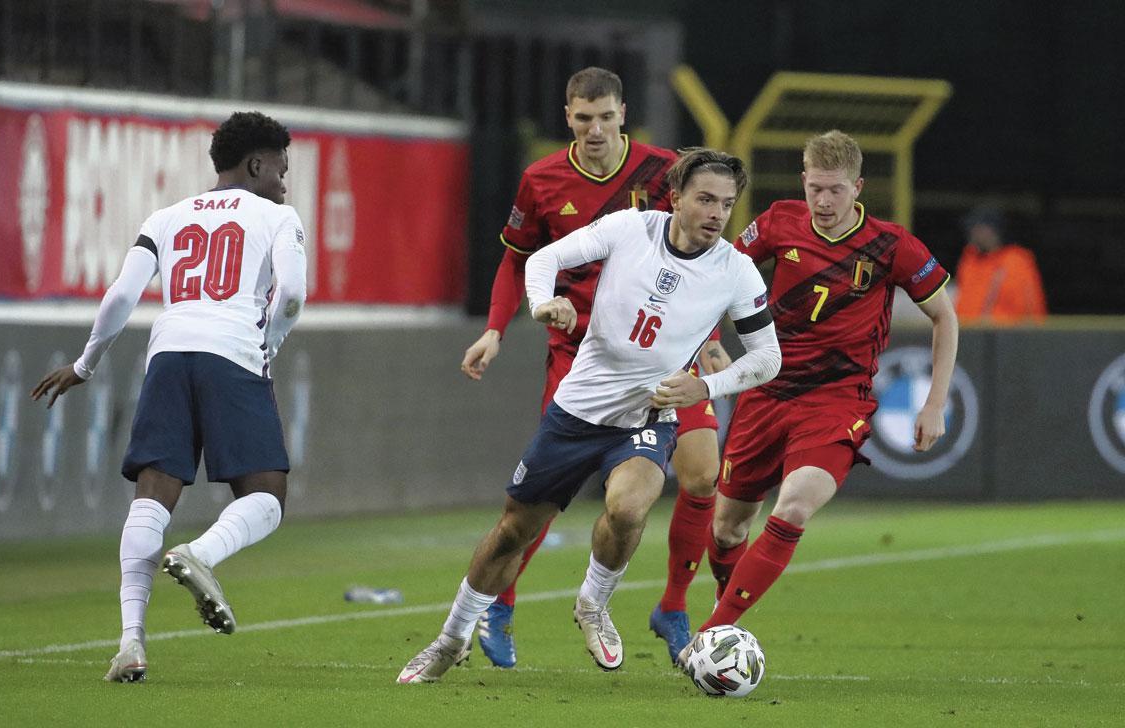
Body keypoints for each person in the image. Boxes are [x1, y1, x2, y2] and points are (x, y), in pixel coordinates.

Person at [398, 148, 781, 684]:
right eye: (705, 199)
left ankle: (593, 603)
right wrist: (540, 305)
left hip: (648, 415)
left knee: (628, 509)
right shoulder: (630, 228)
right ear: (675, 197)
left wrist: (705, 386)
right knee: (514, 531)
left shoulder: (737, 271)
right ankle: (450, 639)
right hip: (577, 411)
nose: (717, 213)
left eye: (727, 203)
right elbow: (541, 260)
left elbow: (769, 357)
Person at [459, 66, 731, 667]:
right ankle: (500, 603)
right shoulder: (541, 179)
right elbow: (516, 260)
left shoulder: (665, 173)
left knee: (704, 473)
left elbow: (695, 255)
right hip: (581, 354)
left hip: (665, 351)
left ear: (623, 114)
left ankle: (674, 604)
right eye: (584, 120)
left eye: (606, 118)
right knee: (544, 497)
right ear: (569, 119)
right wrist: (495, 330)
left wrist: (708, 337)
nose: (596, 131)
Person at [30, 111, 307, 683]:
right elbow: (294, 293)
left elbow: (120, 295)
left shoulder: (166, 216)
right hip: (231, 351)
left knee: (152, 495)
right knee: (268, 496)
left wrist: (85, 365)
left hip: (168, 353)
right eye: (280, 167)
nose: (284, 180)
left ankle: (131, 641)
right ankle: (200, 555)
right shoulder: (277, 215)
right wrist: (269, 343)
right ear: (256, 164)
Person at [680, 130, 959, 664]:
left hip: (837, 401)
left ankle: (710, 636)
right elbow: (719, 276)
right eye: (815, 189)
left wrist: (934, 402)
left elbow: (944, 315)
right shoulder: (780, 221)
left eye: (835, 190)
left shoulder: (891, 245)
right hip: (767, 392)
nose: (824, 202)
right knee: (727, 526)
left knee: (795, 506)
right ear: (802, 183)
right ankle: (725, 608)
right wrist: (711, 338)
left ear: (858, 187)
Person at [954, 205, 1047, 325]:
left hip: (1005, 336)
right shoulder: (969, 260)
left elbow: (1032, 308)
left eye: (977, 229)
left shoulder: (1016, 261)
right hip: (967, 334)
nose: (972, 234)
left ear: (992, 231)